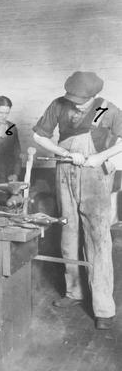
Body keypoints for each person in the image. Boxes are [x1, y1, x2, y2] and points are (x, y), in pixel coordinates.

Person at [33, 71, 121, 330]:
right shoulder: (59, 104)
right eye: (73, 98)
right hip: (64, 171)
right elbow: (39, 136)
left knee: (97, 237)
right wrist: (63, 151)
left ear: (93, 96)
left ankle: (103, 308)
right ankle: (74, 292)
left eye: (82, 100)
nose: (76, 104)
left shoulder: (105, 108)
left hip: (94, 175)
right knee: (68, 231)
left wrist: (99, 157)